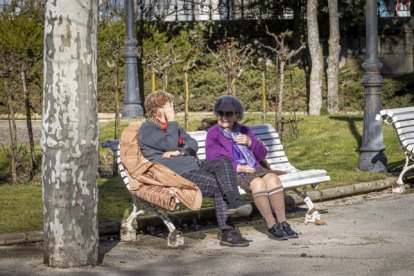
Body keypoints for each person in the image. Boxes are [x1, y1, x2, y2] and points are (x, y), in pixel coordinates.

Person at [138, 90, 252, 247]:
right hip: (179, 174)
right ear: (156, 110)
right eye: (168, 107)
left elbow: (192, 144)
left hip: (195, 165)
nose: (172, 110)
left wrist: (181, 151)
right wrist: (171, 121)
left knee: (223, 161)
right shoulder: (148, 129)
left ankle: (235, 202)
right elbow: (169, 144)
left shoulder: (172, 127)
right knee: (220, 186)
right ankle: (227, 232)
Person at [205, 95, 299, 241]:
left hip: (254, 167)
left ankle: (283, 223)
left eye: (228, 113)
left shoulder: (244, 130)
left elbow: (262, 154)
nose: (224, 117)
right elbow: (213, 160)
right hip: (233, 172)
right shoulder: (214, 134)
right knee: (258, 183)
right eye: (220, 113)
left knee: (273, 179)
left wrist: (250, 142)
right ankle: (272, 225)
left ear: (237, 115)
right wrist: (238, 167)